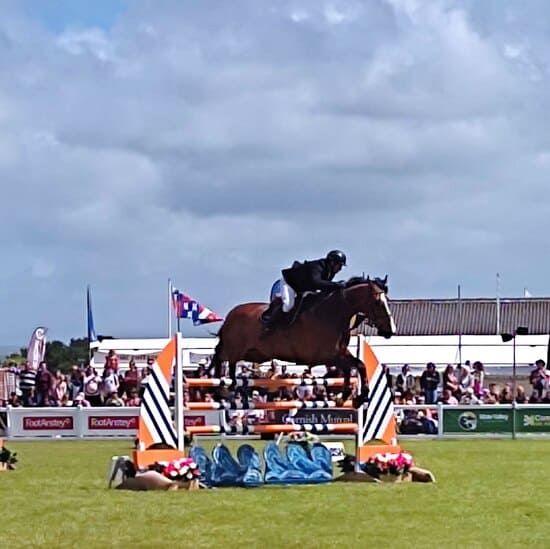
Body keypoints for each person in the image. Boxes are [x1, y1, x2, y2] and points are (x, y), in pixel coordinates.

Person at [261, 250, 347, 329]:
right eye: (339, 265)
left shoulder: (330, 272)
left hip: (303, 288)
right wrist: (336, 285)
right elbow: (316, 282)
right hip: (290, 284)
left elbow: (324, 286)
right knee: (288, 305)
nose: (340, 269)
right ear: (332, 262)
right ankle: (269, 324)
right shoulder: (316, 267)